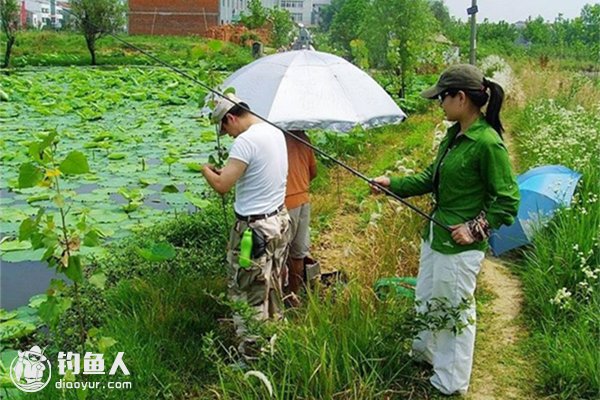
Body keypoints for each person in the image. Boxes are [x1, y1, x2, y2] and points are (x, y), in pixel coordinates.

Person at [370, 64, 520, 395]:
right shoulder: (455, 136)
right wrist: (392, 183)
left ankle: (450, 383)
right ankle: (425, 356)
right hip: (436, 238)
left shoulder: (487, 144)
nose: (439, 103)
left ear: (461, 98)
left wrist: (474, 229)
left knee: (455, 312)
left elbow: (508, 200)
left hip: (460, 248)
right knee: (426, 299)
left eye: (442, 97)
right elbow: (429, 178)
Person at [202, 93, 291, 353]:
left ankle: (252, 356)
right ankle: (275, 340)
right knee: (272, 284)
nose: (226, 133)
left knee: (246, 291)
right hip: (278, 223)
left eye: (224, 127)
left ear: (230, 117)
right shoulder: (275, 131)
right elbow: (256, 173)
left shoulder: (245, 141)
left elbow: (222, 185)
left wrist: (205, 170)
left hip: (252, 233)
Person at [283, 130, 317, 302]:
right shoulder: (303, 137)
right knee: (298, 252)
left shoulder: (275, 139)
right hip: (303, 198)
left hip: (284, 202)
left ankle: (279, 294)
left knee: (281, 252)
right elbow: (313, 172)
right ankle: (293, 295)